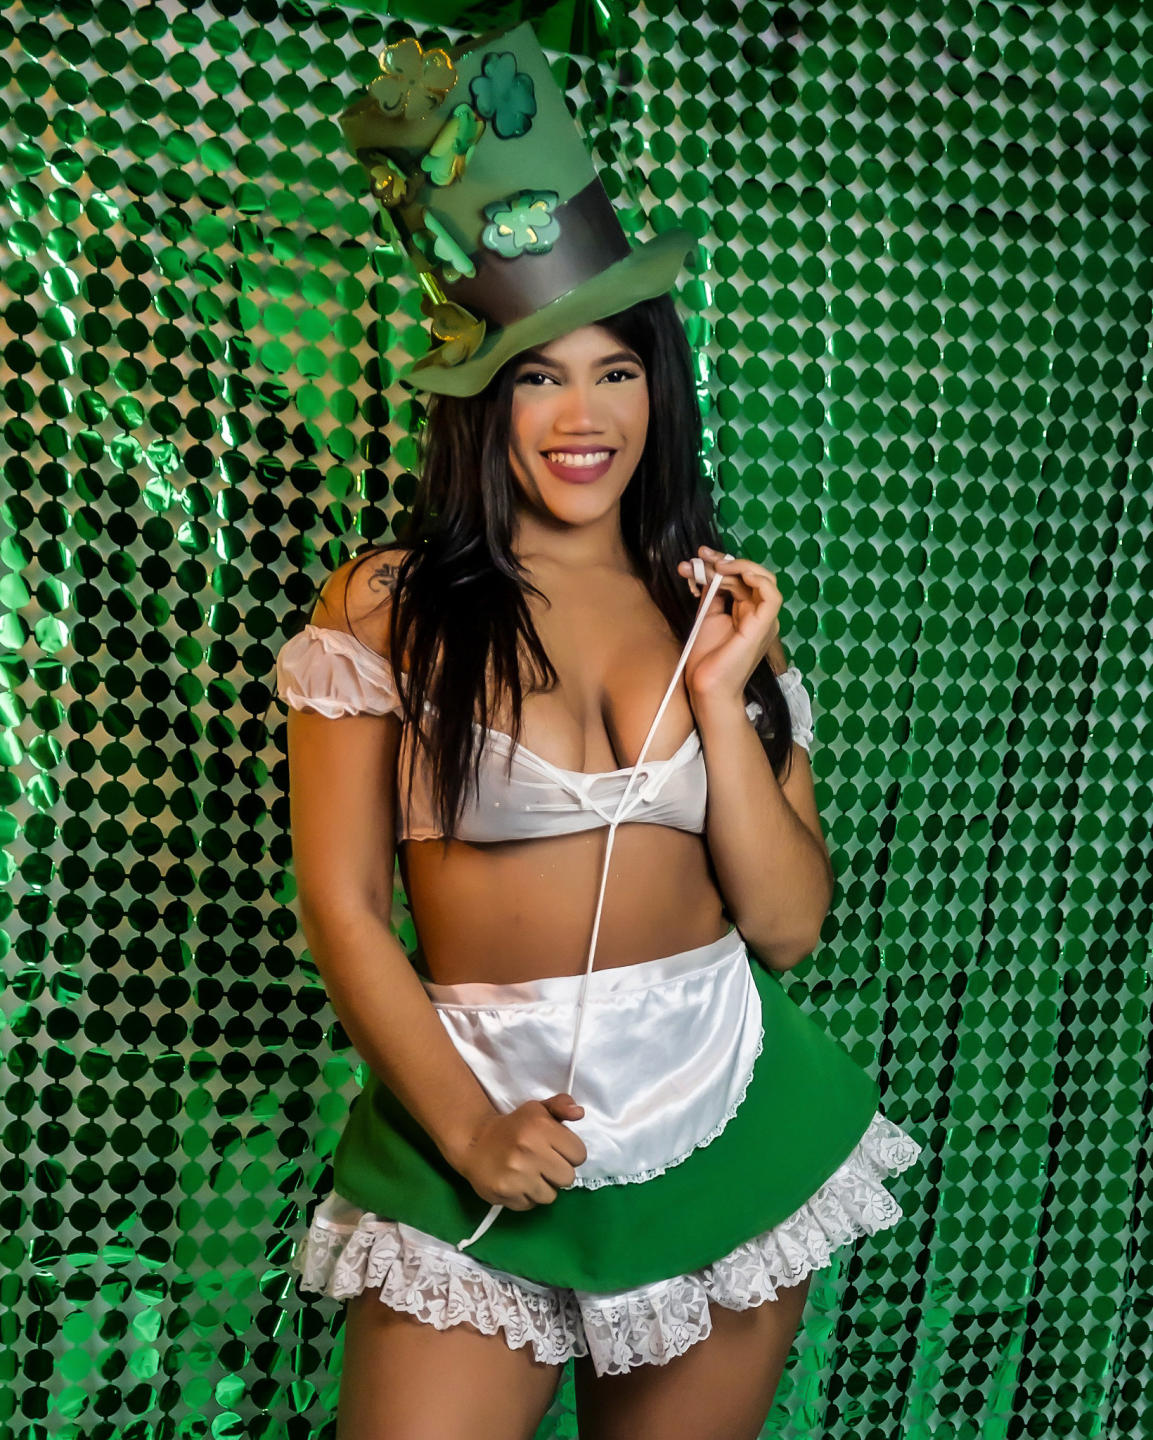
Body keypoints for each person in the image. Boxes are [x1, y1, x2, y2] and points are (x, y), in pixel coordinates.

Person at [275, 23, 921, 1439]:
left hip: (726, 1104)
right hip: (474, 1111)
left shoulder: (715, 608)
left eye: (615, 372)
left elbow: (788, 926)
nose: (584, 415)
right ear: (482, 399)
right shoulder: (384, 607)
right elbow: (343, 906)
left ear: (657, 387)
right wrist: (465, 1128)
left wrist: (721, 695)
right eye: (538, 374)